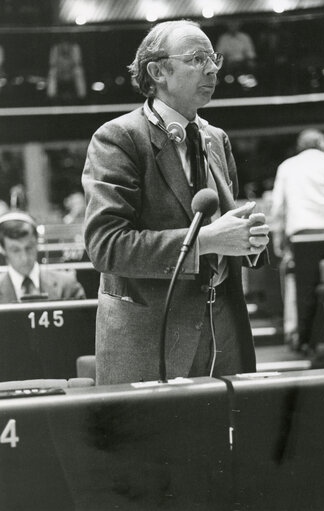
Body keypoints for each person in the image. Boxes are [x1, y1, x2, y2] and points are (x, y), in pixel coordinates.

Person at [82, 20, 269, 385]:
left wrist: (250, 240)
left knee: (230, 441)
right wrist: (208, 241)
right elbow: (106, 246)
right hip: (152, 339)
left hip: (225, 331)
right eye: (197, 58)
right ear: (158, 71)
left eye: (213, 58)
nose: (213, 68)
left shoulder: (216, 138)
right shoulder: (119, 138)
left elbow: (227, 227)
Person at [270, 128, 324, 353]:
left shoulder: (287, 166)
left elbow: (278, 207)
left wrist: (279, 237)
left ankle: (305, 341)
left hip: (304, 233)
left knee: (305, 288)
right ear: (322, 143)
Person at [0, 211, 86, 303]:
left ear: (37, 242)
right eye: (15, 250)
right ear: (2, 249)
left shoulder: (67, 285)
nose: (24, 258)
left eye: (29, 248)